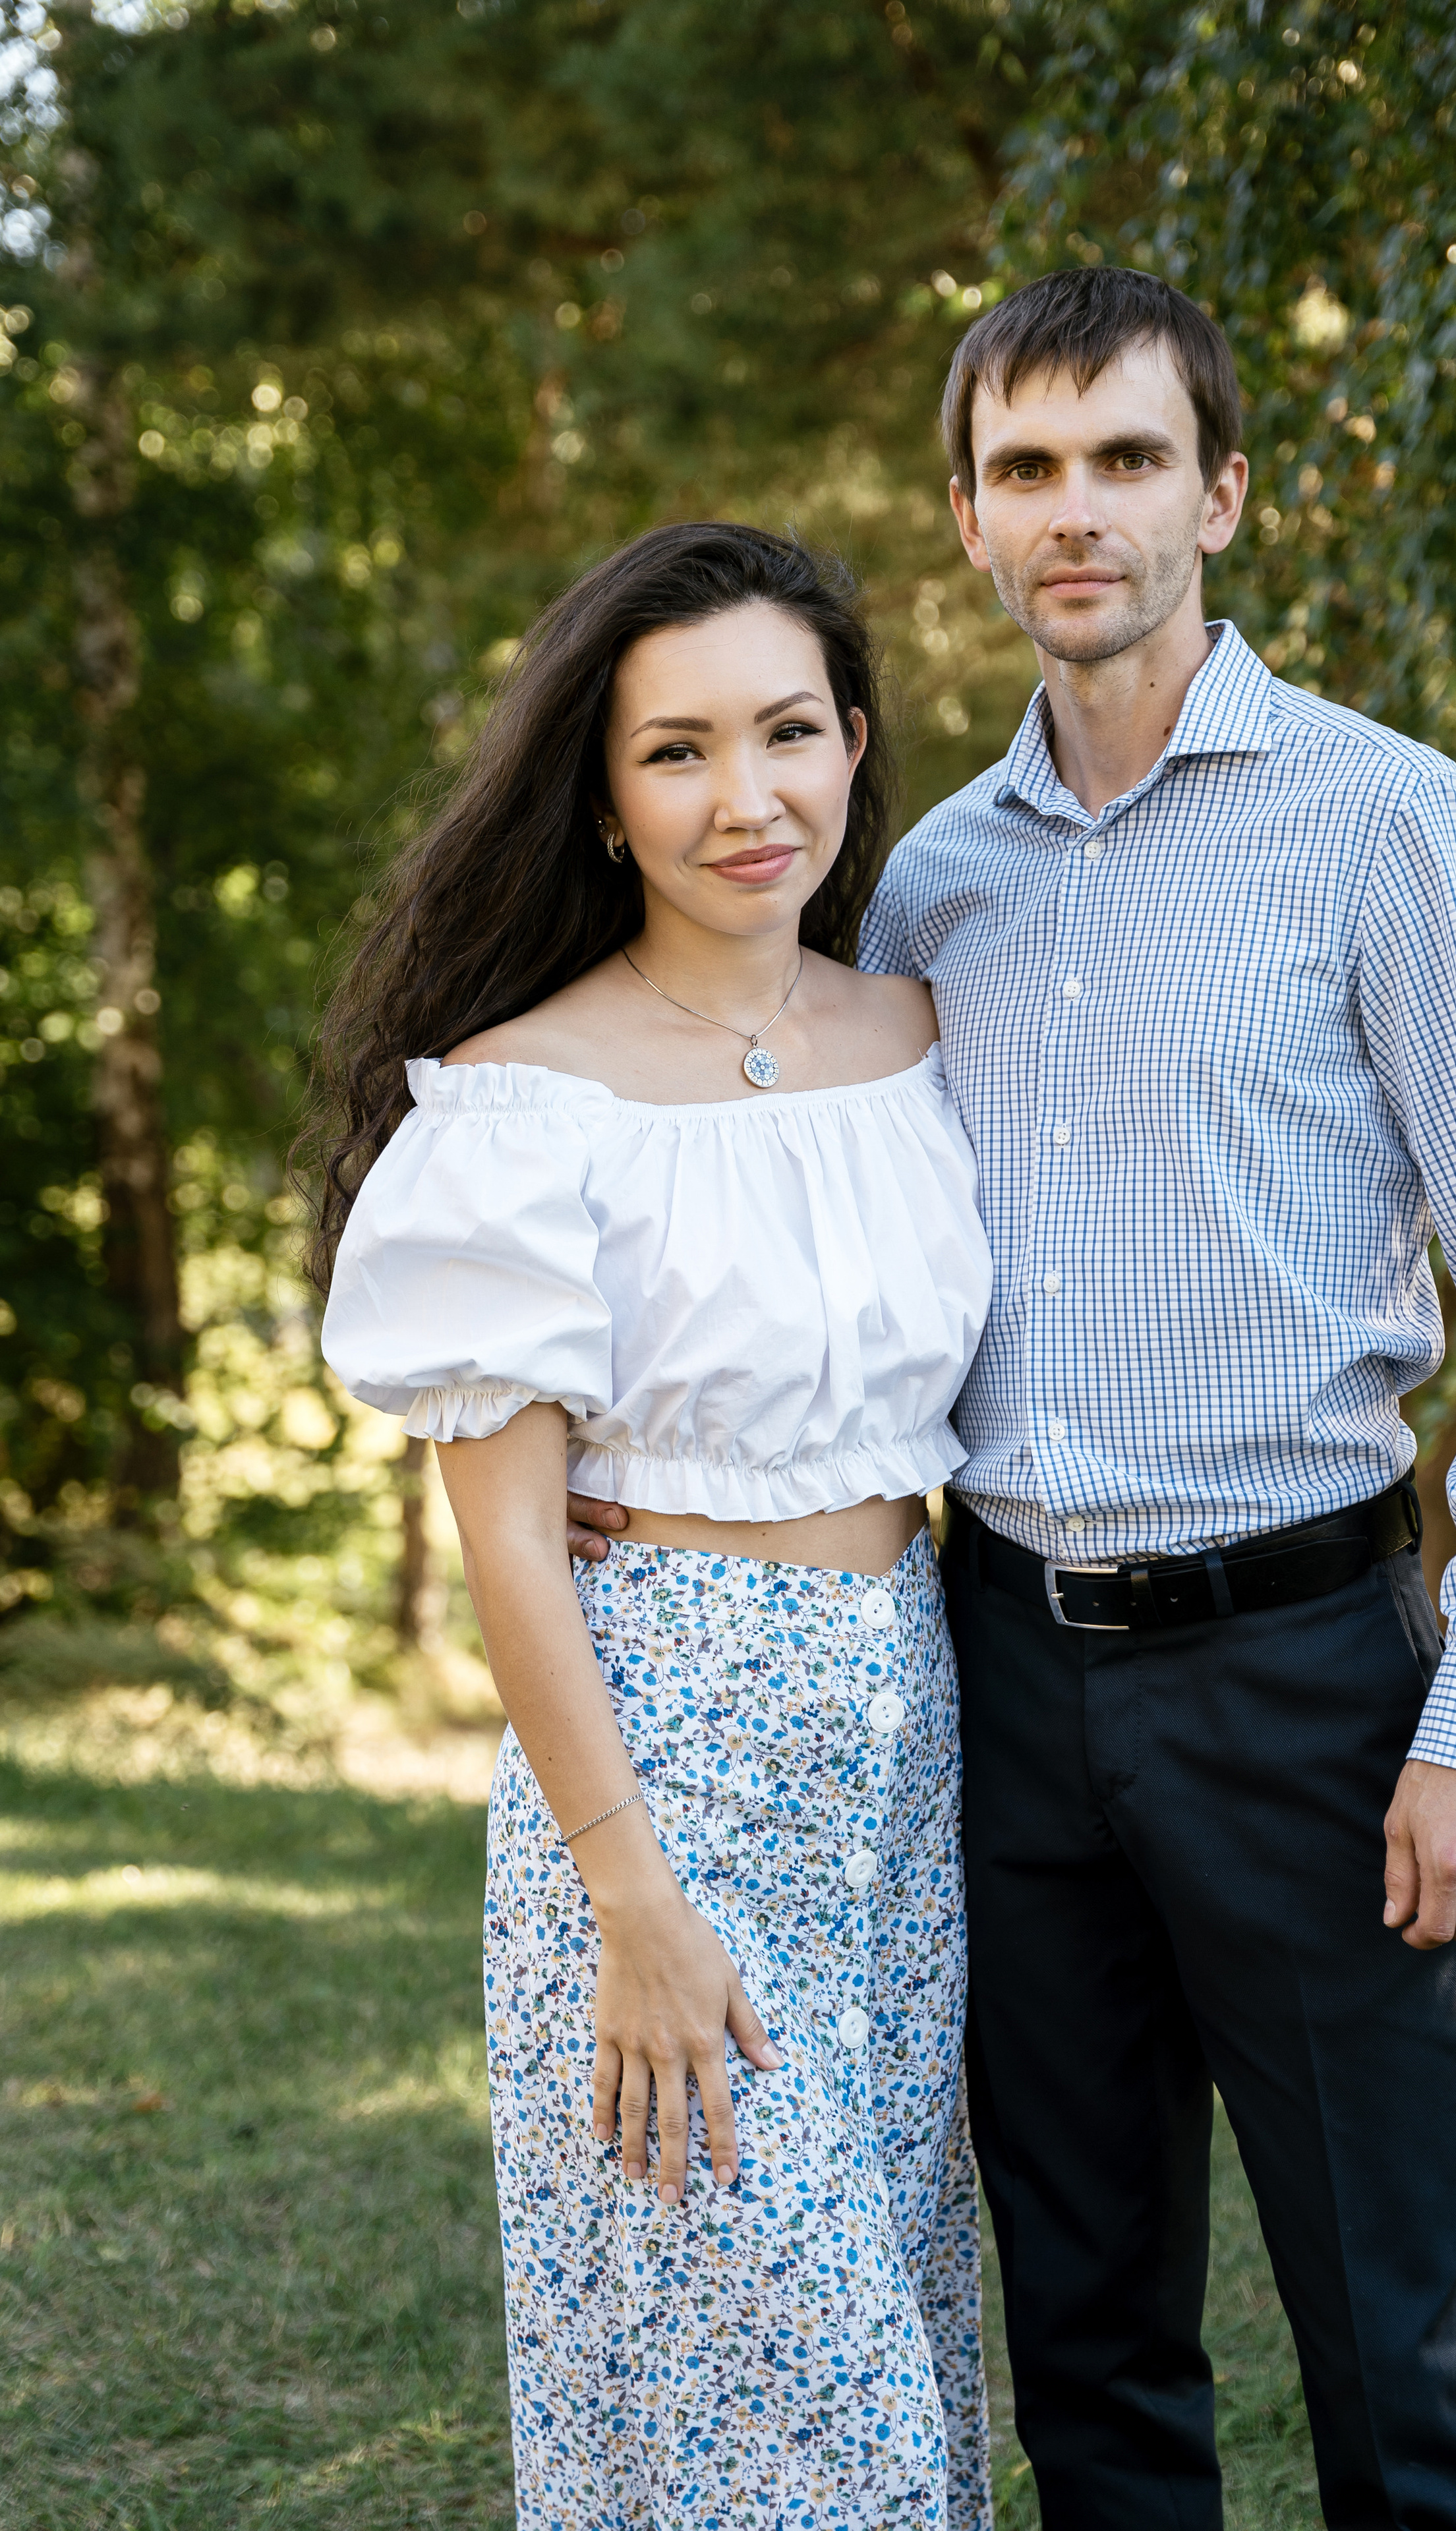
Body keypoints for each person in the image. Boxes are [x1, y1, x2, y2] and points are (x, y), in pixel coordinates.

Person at [571, 268, 1456, 2528]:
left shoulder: (1384, 821)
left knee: (1397, 2350)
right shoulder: (928, 886)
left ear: (1221, 493)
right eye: (1027, 469)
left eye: (1127, 459)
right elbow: (809, 1210)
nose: (1080, 513)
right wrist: (635, 1461)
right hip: (1002, 1694)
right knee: (1089, 2342)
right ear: (965, 521)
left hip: (1309, 1683)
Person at [305, 523, 996, 2530]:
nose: (744, 796)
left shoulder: (920, 1040)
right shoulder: (526, 1108)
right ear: (603, 801)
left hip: (904, 1741)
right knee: (783, 2406)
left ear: (858, 745)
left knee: (893, 2339)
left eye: (788, 731)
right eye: (677, 753)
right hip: (663, 1764)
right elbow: (513, 1550)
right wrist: (632, 1902)